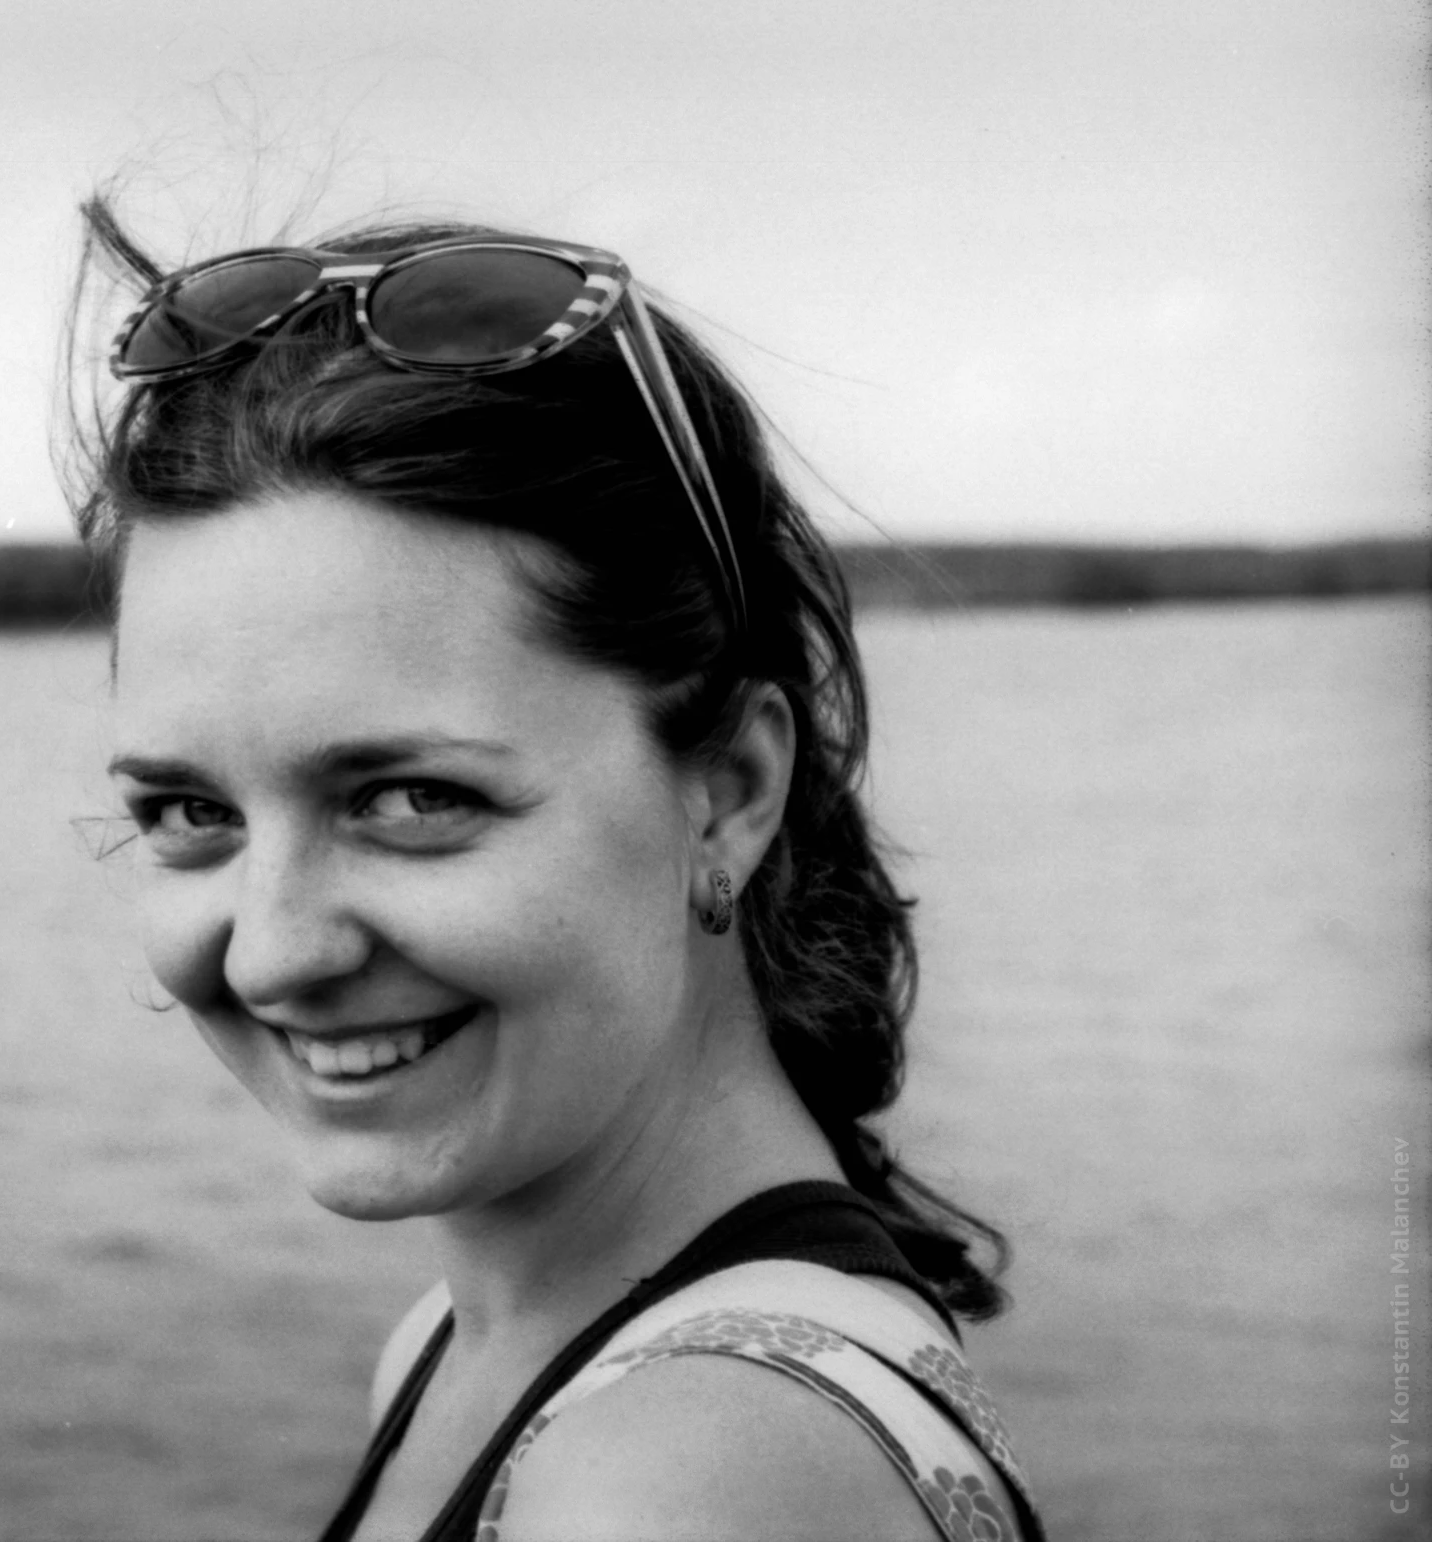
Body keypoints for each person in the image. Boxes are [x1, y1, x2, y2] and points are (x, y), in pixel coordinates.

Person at [65, 193, 1044, 1542]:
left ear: (730, 791)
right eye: (187, 810)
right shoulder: (470, 1352)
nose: (270, 949)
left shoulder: (679, 1478)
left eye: (412, 797)